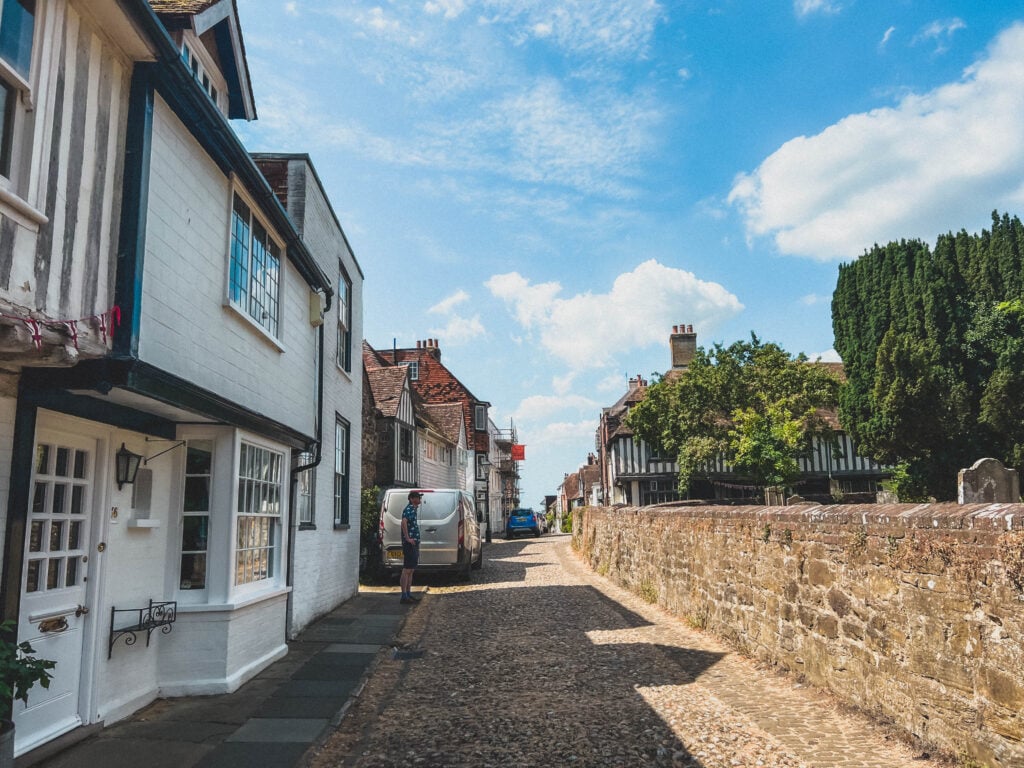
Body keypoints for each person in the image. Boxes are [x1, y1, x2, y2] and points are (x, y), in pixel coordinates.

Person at [400, 491, 422, 604]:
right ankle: (404, 595)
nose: (420, 500)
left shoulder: (413, 509)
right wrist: (408, 538)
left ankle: (408, 593)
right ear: (412, 499)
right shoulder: (408, 509)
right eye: (418, 497)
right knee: (407, 569)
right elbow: (403, 522)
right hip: (409, 543)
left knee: (411, 569)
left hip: (414, 542)